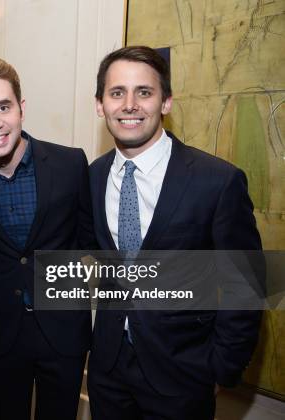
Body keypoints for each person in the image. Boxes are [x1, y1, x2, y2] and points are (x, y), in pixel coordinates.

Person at [87, 46, 263, 420]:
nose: (130, 104)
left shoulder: (217, 181)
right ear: (101, 105)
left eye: (144, 92)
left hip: (184, 375)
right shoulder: (91, 177)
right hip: (108, 372)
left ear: (166, 102)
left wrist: (220, 368)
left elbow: (245, 284)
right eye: (117, 93)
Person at [0, 56, 95, 420]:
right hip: (1, 335)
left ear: (21, 107)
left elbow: (88, 244)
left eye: (3, 107)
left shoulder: (70, 164)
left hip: (63, 333)